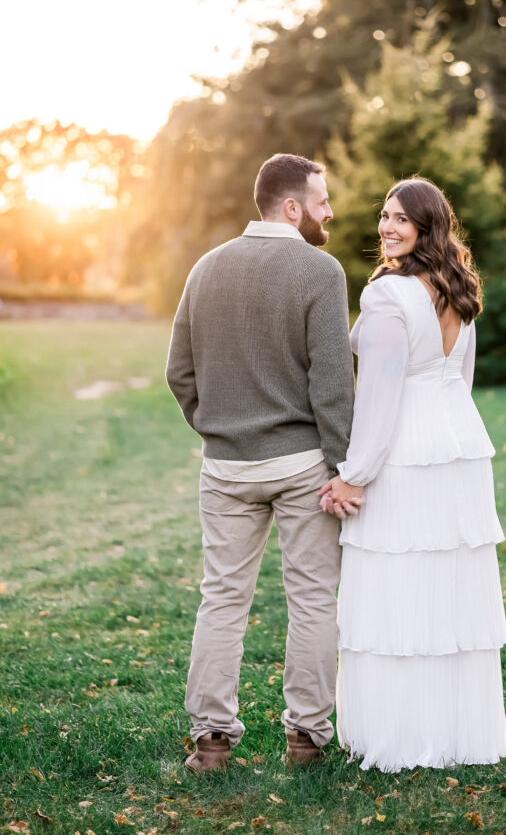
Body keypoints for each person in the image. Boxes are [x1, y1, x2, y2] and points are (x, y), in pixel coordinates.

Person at [166, 153, 359, 772]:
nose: (331, 211)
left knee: (221, 599)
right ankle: (306, 738)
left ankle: (211, 743)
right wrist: (343, 467)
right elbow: (333, 385)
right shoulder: (320, 271)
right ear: (293, 206)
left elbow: (179, 373)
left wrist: (218, 429)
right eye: (322, 200)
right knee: (311, 599)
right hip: (302, 462)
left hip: (225, 469)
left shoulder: (206, 267)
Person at [320, 176, 506, 772]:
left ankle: (400, 738)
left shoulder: (387, 296)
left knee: (399, 590)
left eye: (401, 218)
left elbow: (377, 397)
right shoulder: (457, 289)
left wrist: (355, 474)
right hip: (458, 448)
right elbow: (461, 380)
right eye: (384, 214)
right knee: (443, 592)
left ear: (428, 227)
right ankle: (452, 734)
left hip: (407, 451)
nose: (386, 226)